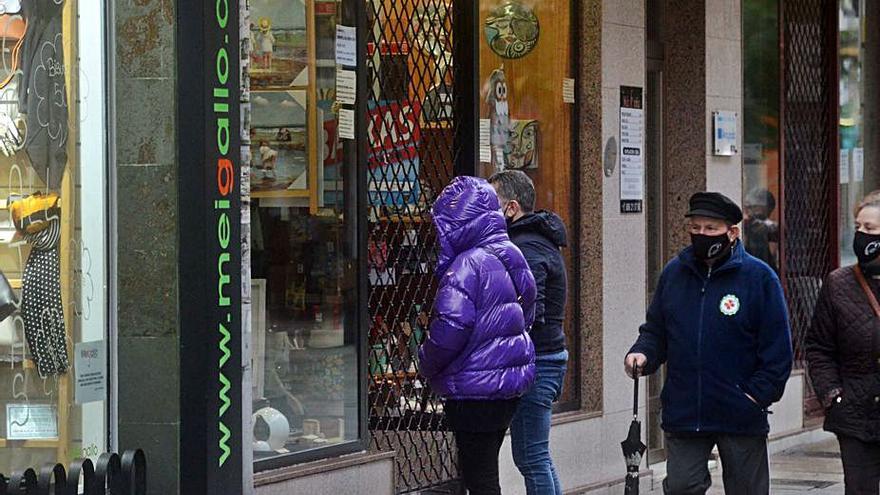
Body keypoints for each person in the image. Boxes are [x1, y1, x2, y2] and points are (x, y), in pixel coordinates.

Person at [624, 192, 793, 495]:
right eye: (696, 228)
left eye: (711, 229)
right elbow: (656, 330)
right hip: (686, 410)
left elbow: (778, 350)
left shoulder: (759, 278)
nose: (701, 235)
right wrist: (642, 353)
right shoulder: (674, 274)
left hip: (740, 412)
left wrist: (756, 396)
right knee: (681, 486)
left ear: (732, 233)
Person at [419, 175, 537, 495]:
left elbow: (450, 329)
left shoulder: (465, 266)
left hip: (473, 390)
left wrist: (425, 362)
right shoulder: (510, 252)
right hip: (506, 386)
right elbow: (528, 307)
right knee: (484, 472)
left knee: (480, 478)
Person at [489, 170, 568, 495]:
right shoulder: (533, 240)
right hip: (543, 358)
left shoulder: (527, 246)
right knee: (534, 455)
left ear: (510, 208)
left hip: (539, 361)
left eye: (491, 204)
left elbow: (528, 307)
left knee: (531, 457)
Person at [806, 190, 880, 494]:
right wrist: (833, 394)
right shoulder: (838, 283)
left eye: (871, 229)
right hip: (854, 413)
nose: (861, 234)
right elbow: (819, 347)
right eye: (858, 226)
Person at [743, 188, 780, 273]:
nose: (748, 210)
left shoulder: (770, 227)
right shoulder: (748, 224)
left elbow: (772, 251)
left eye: (751, 207)